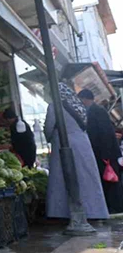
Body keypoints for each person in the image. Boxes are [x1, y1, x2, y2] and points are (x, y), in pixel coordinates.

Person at [44, 82, 108, 220]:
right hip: (83, 144)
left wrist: (48, 137)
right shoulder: (78, 105)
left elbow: (49, 127)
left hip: (63, 143)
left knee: (62, 178)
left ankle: (62, 213)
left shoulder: (54, 106)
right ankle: (95, 212)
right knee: (87, 177)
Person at [78, 88, 123, 214]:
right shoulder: (94, 111)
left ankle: (116, 207)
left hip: (106, 154)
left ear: (85, 99)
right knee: (108, 180)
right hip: (103, 154)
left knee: (111, 180)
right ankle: (112, 206)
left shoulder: (98, 111)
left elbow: (106, 134)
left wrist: (106, 155)